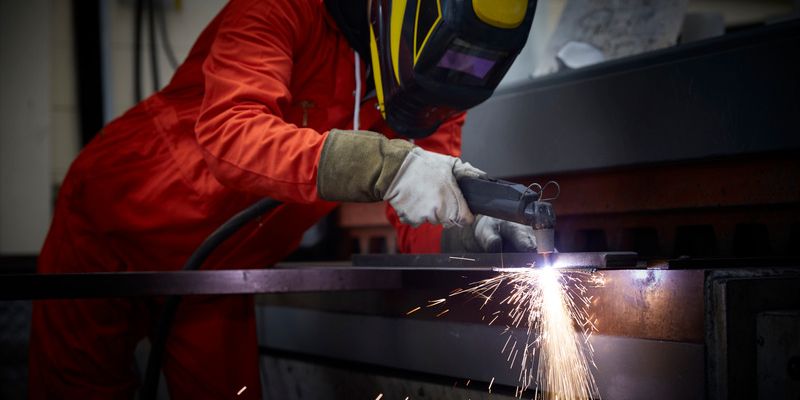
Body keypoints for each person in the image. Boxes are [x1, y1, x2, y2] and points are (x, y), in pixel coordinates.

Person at [29, 0, 537, 398]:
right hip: (112, 219)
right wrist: (383, 166)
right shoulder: (283, 7)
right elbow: (231, 133)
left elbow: (419, 221)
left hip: (218, 271)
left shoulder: (434, 84)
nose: (450, 79)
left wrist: (471, 231)